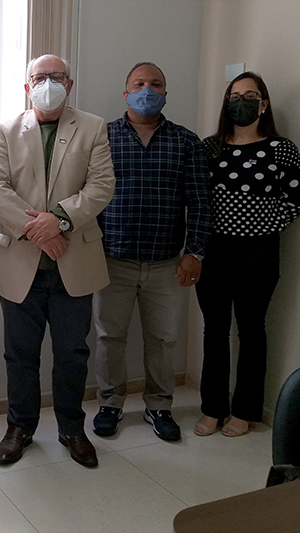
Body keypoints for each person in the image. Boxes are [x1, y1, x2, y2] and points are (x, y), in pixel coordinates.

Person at [0, 54, 116, 467]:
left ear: (69, 84)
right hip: (19, 264)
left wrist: (58, 221)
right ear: (27, 86)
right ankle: (20, 427)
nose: (47, 83)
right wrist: (39, 232)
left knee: (72, 354)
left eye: (55, 76)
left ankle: (71, 427)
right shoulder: (5, 130)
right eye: (39, 77)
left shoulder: (92, 127)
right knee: (20, 355)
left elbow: (101, 185)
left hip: (73, 263)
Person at [93, 62, 211, 442]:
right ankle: (110, 403)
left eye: (156, 84)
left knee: (163, 339)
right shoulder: (101, 137)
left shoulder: (186, 142)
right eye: (139, 83)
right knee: (110, 337)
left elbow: (201, 202)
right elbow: (87, 197)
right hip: (112, 259)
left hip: (166, 262)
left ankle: (159, 405)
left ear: (165, 92)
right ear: (126, 93)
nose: (148, 90)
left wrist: (195, 252)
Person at [194, 72, 300, 438]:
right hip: (214, 251)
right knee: (214, 330)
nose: (241, 101)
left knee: (252, 330)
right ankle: (213, 408)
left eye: (250, 95)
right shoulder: (210, 148)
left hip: (258, 252)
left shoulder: (281, 149)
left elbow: (297, 198)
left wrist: (261, 224)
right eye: (235, 95)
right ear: (226, 102)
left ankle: (245, 410)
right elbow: (196, 197)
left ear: (263, 104)